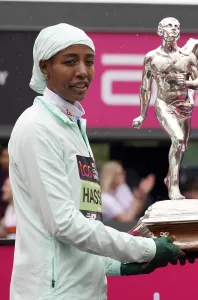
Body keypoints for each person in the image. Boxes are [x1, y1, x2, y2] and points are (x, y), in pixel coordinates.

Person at [7, 23, 183, 300]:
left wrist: (118, 265)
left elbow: (84, 223)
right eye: (70, 61)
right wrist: (146, 249)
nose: (82, 71)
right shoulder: (36, 127)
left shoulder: (72, 126)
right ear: (44, 67)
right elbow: (64, 224)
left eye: (89, 62)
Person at [132, 17, 198, 200]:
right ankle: (173, 186)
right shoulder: (152, 58)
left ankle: (169, 176)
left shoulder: (187, 57)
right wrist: (141, 115)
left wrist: (187, 82)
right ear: (160, 31)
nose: (174, 30)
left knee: (182, 146)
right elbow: (145, 88)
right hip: (164, 104)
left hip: (184, 106)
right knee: (178, 140)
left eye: (177, 27)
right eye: (170, 26)